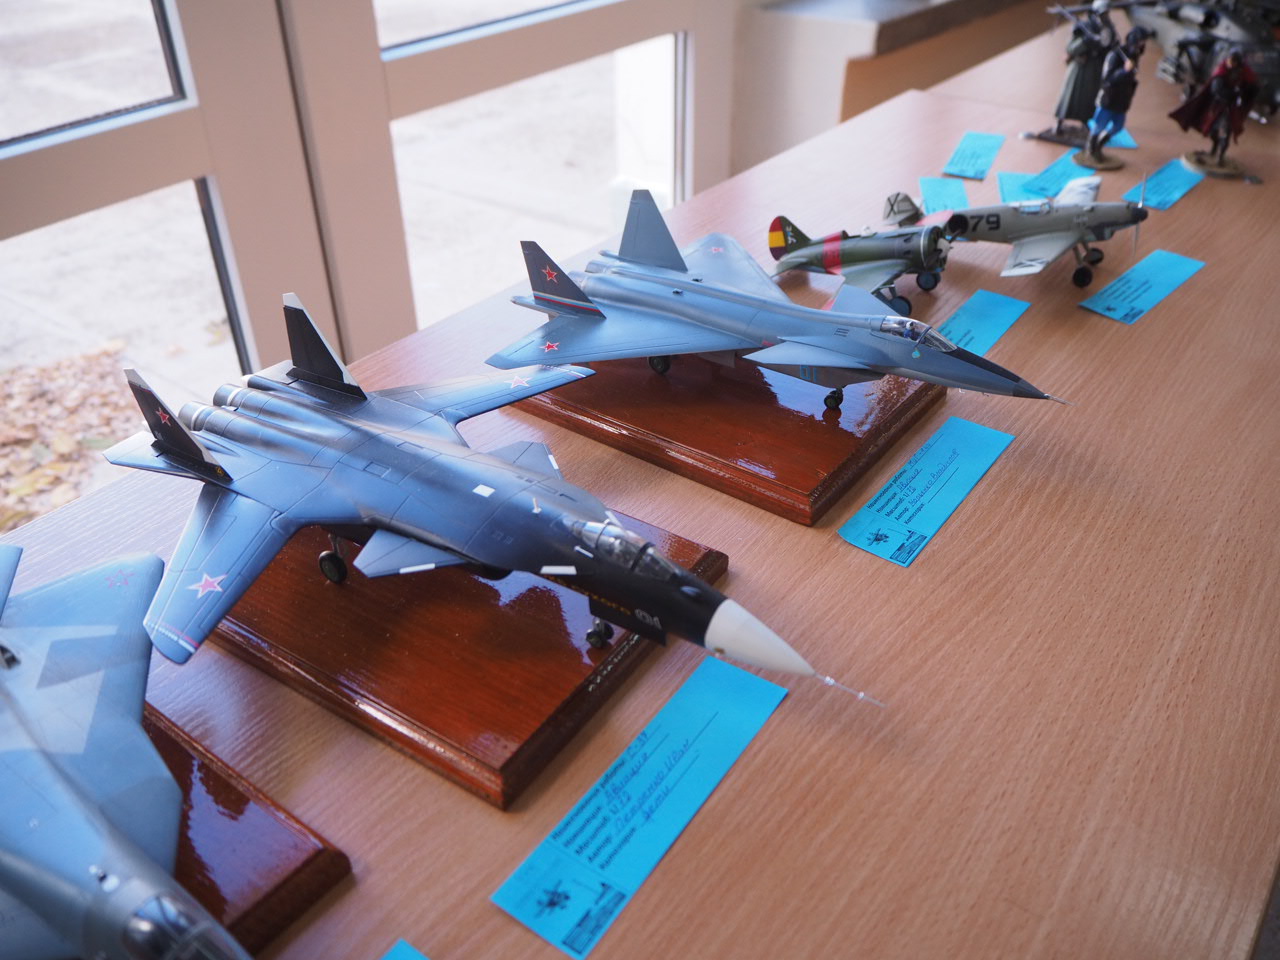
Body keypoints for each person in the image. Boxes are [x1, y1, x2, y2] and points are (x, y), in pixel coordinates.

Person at [1169, 47, 1260, 167]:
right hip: (1218, 106)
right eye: (1230, 59)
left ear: (1238, 62)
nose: (1230, 62)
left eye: (1233, 61)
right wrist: (1234, 93)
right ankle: (1213, 151)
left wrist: (1245, 92)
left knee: (1226, 132)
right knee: (1213, 130)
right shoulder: (1222, 70)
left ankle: (1220, 157)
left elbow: (1252, 86)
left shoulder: (1244, 71)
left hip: (1231, 108)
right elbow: (1217, 89)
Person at [1053, 0, 1119, 138]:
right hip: (1081, 67)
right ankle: (1059, 122)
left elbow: (1111, 44)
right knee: (1069, 96)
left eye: (1106, 13)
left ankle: (1084, 121)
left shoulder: (1108, 27)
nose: (1105, 16)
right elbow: (1071, 48)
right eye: (1103, 13)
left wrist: (1110, 43)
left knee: (1089, 98)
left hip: (1095, 67)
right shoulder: (1084, 26)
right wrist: (1085, 41)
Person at [1086, 28, 1150, 161]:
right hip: (1110, 98)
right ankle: (1091, 148)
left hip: (1123, 99)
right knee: (1099, 125)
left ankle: (1100, 144)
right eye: (1141, 42)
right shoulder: (1115, 55)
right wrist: (1124, 71)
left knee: (1118, 126)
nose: (1142, 45)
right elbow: (1107, 79)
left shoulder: (1133, 55)